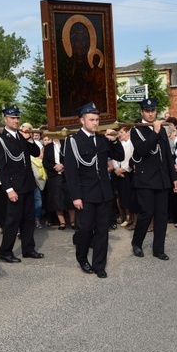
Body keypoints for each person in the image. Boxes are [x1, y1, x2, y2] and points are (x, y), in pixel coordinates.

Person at [64, 103, 124, 278]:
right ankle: (82, 258)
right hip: (85, 194)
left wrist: (114, 140)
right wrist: (76, 196)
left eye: (97, 120)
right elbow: (71, 171)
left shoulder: (102, 139)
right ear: (82, 121)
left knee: (102, 231)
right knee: (84, 230)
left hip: (104, 192)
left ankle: (99, 265)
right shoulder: (73, 141)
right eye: (92, 119)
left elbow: (119, 156)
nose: (95, 123)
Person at [130, 99, 177, 260]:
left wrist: (174, 177)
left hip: (162, 178)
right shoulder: (136, 130)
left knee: (161, 215)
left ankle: (158, 248)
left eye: (153, 110)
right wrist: (155, 132)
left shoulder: (161, 130)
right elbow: (143, 150)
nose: (150, 113)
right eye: (147, 110)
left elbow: (166, 155)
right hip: (145, 179)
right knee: (146, 213)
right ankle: (137, 242)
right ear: (142, 112)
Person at [0, 106, 43, 263]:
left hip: (28, 184)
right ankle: (5, 251)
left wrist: (28, 138)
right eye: (12, 118)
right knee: (13, 220)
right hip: (15, 187)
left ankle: (28, 249)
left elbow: (35, 152)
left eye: (17, 118)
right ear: (5, 119)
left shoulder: (21, 137)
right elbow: (1, 168)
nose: (16, 121)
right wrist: (9, 189)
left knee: (29, 219)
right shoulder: (0, 140)